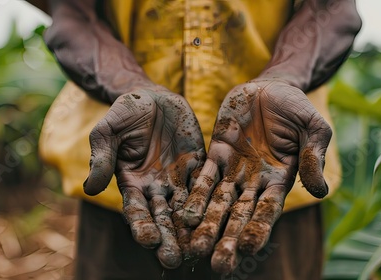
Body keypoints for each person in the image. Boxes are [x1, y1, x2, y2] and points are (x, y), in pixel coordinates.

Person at [29, 0, 361, 279]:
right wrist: (129, 86)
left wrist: (283, 79)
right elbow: (73, 11)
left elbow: (332, 7)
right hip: (129, 181)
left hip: (274, 181)